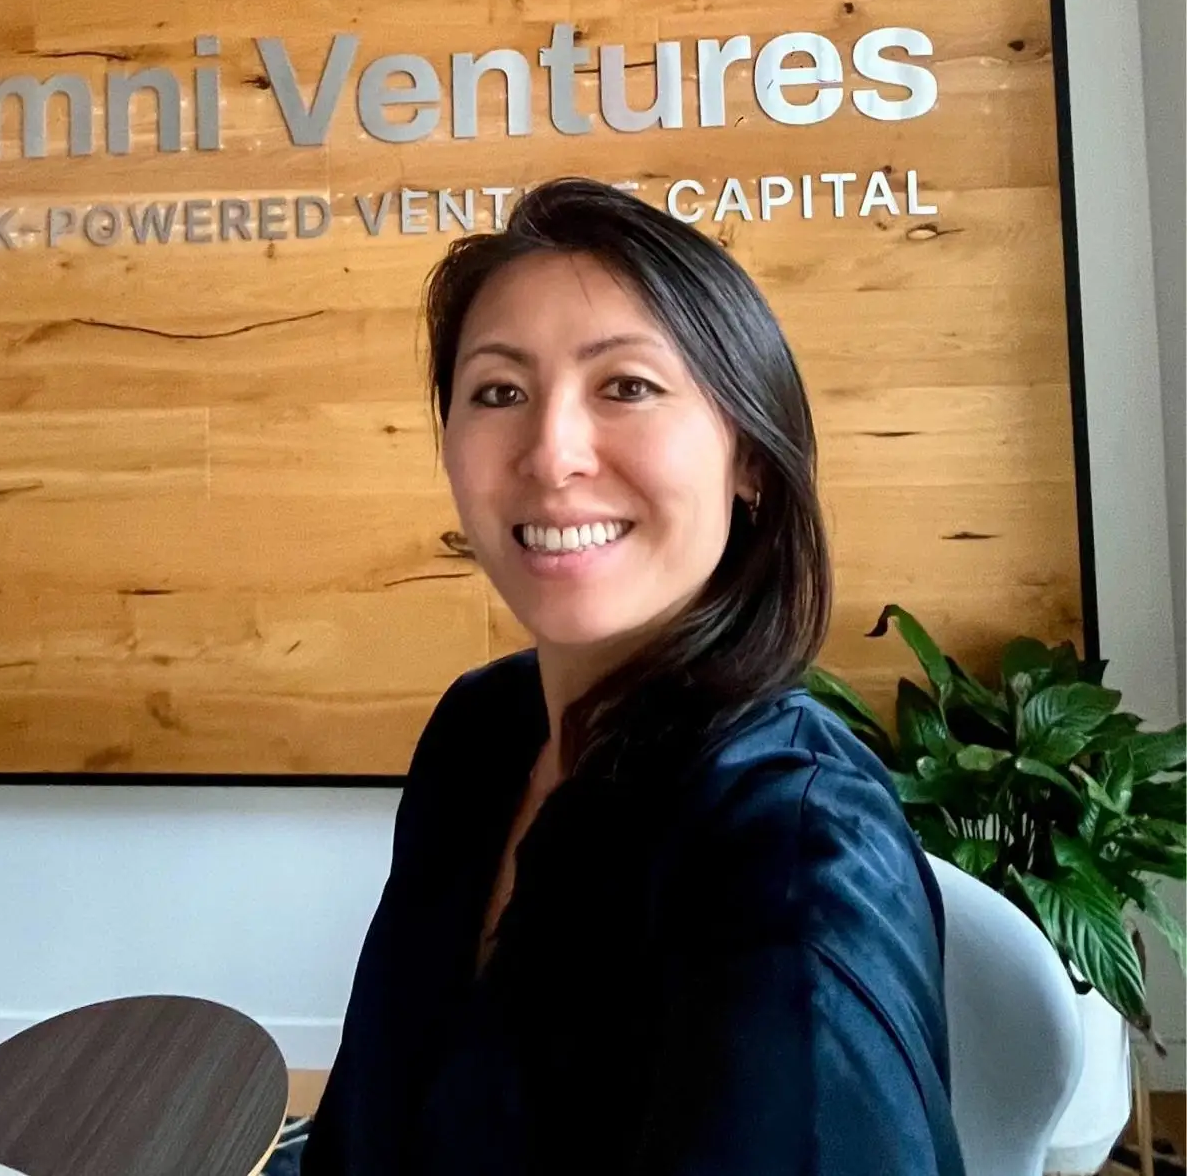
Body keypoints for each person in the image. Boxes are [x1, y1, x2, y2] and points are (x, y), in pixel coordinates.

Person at [298, 177, 965, 1176]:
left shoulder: (790, 866)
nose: (551, 453)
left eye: (625, 386)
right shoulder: (481, 734)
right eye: (497, 392)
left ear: (749, 457)